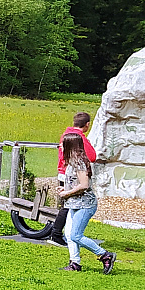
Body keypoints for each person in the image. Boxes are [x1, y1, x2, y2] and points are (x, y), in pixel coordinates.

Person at [55, 133, 115, 274]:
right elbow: (76, 183)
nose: (60, 146)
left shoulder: (79, 163)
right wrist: (65, 189)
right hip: (74, 204)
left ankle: (105, 255)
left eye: (63, 144)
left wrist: (67, 193)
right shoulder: (71, 163)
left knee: (76, 235)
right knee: (69, 235)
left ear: (70, 146)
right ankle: (75, 263)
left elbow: (84, 185)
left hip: (85, 205)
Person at [49, 111, 100, 244]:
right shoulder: (79, 137)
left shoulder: (66, 134)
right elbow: (92, 156)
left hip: (63, 171)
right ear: (87, 124)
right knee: (68, 205)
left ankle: (64, 234)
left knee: (68, 203)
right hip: (73, 174)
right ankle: (57, 234)